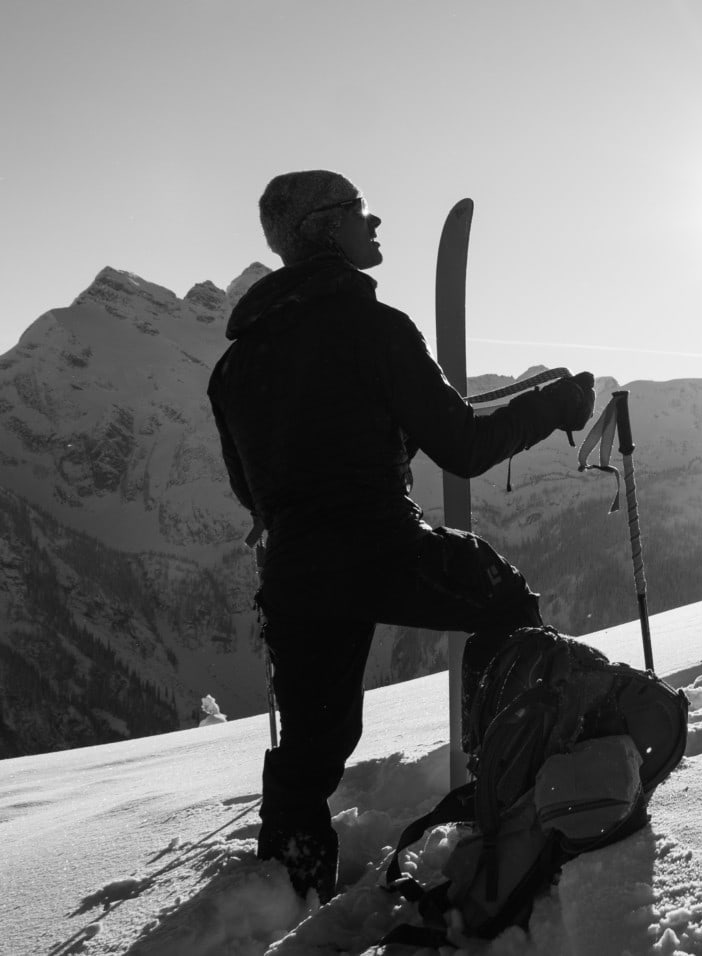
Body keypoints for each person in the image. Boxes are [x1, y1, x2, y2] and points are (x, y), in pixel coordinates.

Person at [207, 170, 595, 902]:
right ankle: (509, 793)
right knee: (505, 603)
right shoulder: (374, 326)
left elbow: (257, 494)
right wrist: (558, 403)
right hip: (383, 547)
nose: (374, 220)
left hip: (296, 575)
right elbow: (464, 447)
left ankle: (286, 892)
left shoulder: (235, 365)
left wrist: (367, 445)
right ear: (327, 227)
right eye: (359, 209)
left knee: (313, 751)